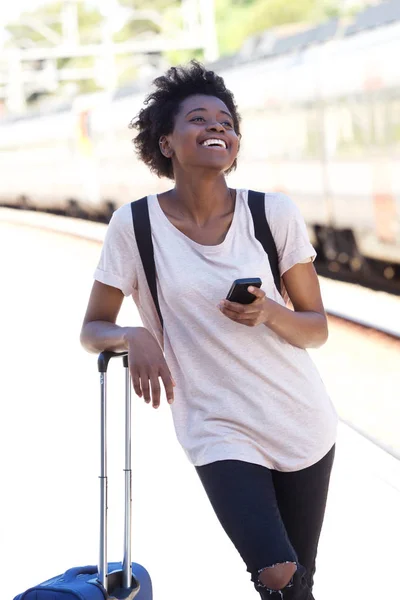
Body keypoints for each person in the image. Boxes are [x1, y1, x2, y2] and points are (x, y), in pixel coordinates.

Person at [80, 61, 338, 599]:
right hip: (215, 425)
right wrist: (133, 334)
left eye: (226, 121)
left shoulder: (273, 214)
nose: (217, 128)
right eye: (199, 119)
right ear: (167, 143)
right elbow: (92, 329)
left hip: (299, 418)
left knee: (295, 585)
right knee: (277, 573)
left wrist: (269, 311)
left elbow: (315, 329)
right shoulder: (136, 226)